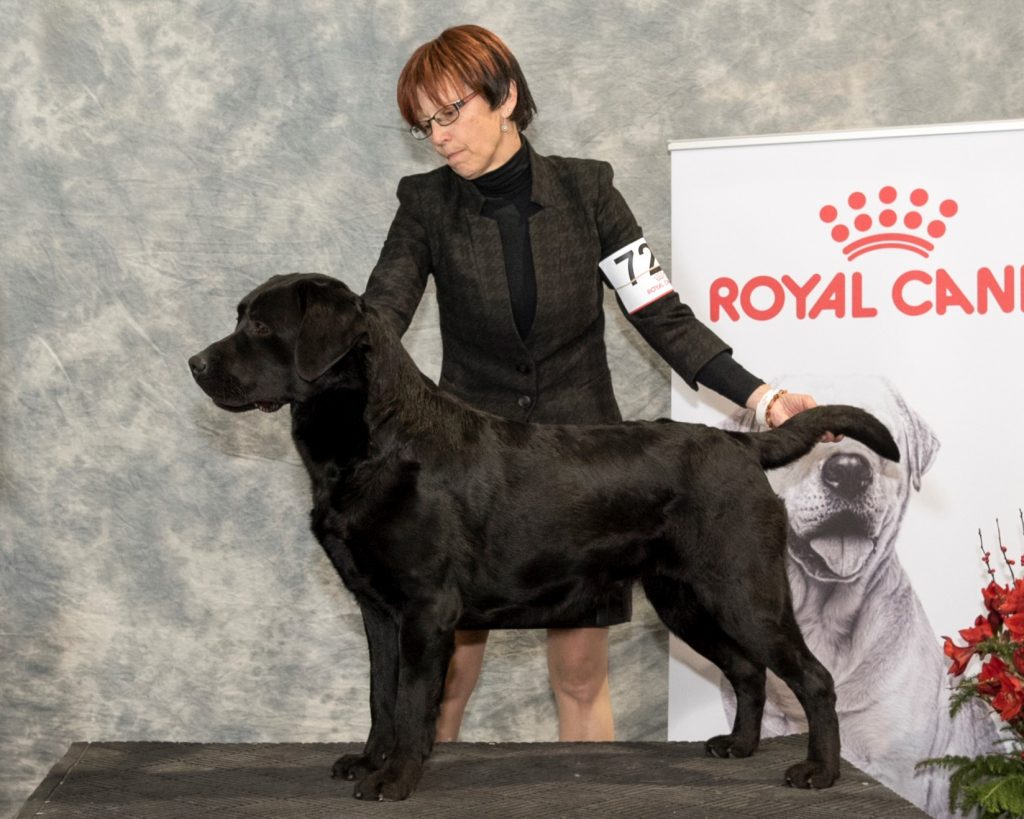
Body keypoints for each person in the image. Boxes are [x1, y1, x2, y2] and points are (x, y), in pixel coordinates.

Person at [362, 24, 822, 744]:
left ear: (506, 95)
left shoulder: (589, 189)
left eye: (450, 113)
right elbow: (381, 315)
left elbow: (660, 312)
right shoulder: (425, 204)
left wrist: (762, 397)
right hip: (471, 475)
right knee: (445, 674)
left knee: (580, 674)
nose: (439, 138)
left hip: (584, 475)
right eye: (424, 126)